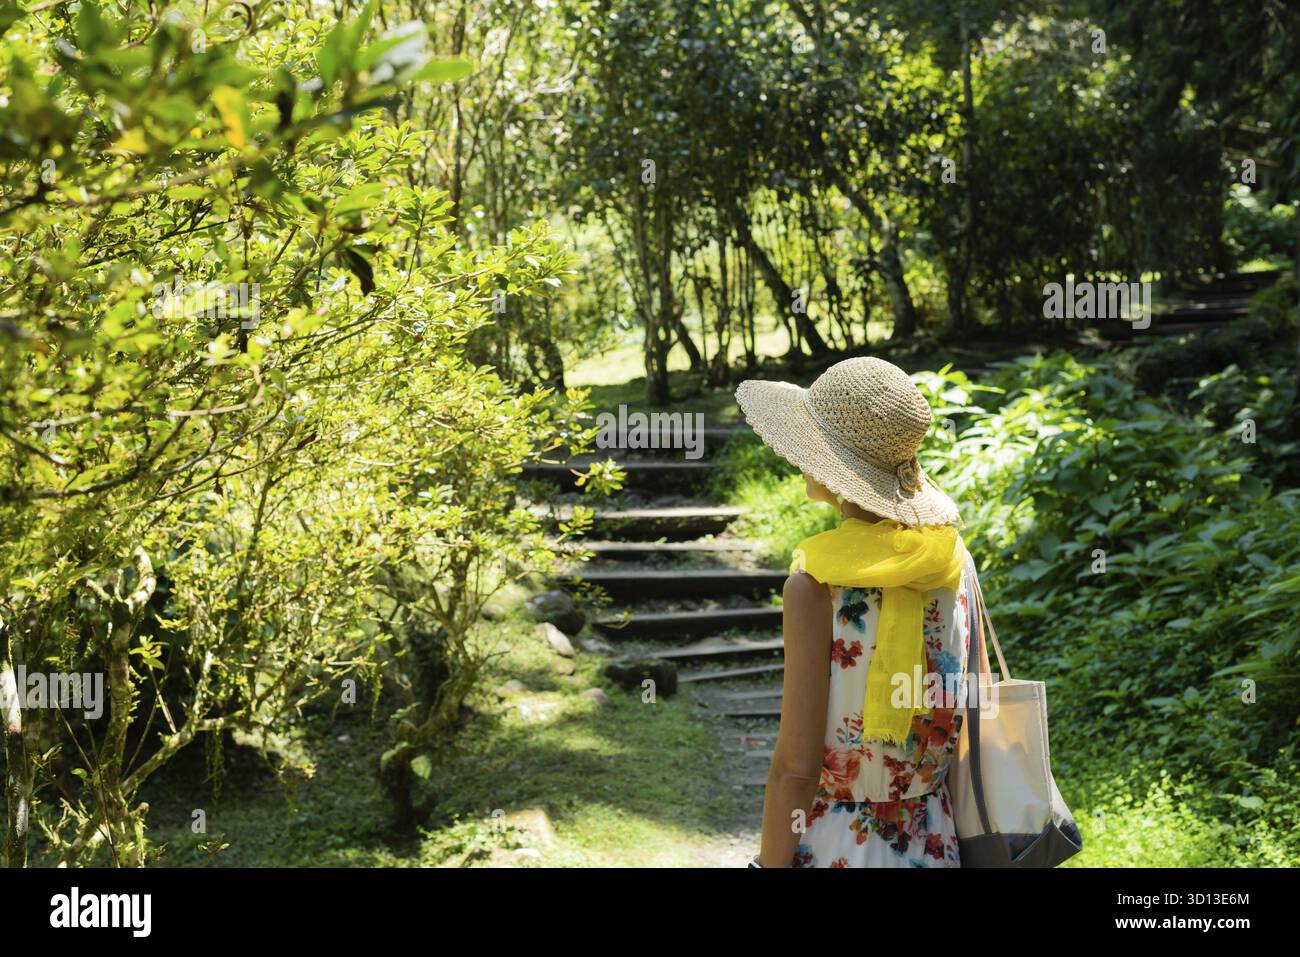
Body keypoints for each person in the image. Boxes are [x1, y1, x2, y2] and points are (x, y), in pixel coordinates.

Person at [734, 356, 988, 868]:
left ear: (830, 464)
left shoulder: (815, 587)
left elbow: (797, 770)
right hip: (934, 839)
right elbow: (977, 713)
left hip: (834, 844)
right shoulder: (953, 563)